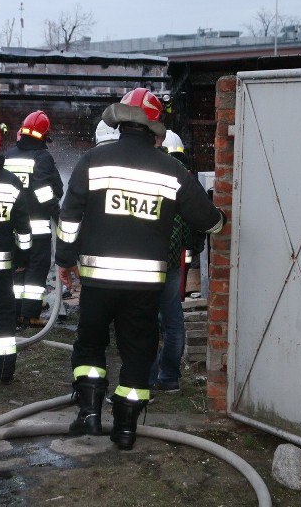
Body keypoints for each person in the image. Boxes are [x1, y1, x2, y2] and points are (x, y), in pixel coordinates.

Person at [55, 88, 226, 451]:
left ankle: (88, 414)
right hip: (145, 286)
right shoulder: (171, 169)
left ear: (121, 123)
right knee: (137, 352)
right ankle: (126, 430)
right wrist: (221, 217)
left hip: (98, 280)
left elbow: (69, 217)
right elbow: (208, 221)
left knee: (90, 343)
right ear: (154, 128)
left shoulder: (92, 161)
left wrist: (65, 260)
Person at [3, 110, 64, 329]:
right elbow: (44, 190)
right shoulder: (42, 157)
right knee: (37, 270)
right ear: (44, 134)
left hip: (13, 228)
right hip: (37, 228)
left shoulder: (9, 155)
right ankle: (30, 316)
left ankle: (16, 313)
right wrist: (56, 212)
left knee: (19, 269)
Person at [149, 129, 194, 393]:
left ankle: (148, 379)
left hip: (148, 258)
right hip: (172, 259)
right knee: (173, 319)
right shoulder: (179, 173)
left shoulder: (150, 170)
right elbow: (192, 220)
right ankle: (169, 379)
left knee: (145, 320)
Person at [0, 126, 31, 384]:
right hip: (2, 267)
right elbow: (23, 228)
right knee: (5, 317)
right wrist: (23, 259)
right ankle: (4, 370)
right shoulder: (11, 182)